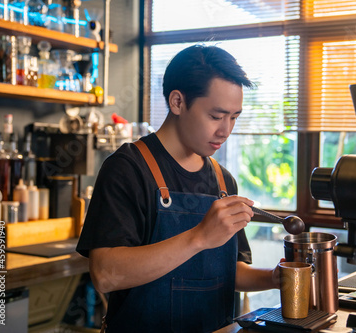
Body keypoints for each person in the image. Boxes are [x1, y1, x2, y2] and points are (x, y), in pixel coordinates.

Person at [76, 45, 280, 332]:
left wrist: (274, 278)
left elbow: (231, 272)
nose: (226, 130)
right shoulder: (127, 169)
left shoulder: (223, 181)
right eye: (216, 116)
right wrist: (198, 237)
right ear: (177, 102)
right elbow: (105, 274)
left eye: (234, 117)